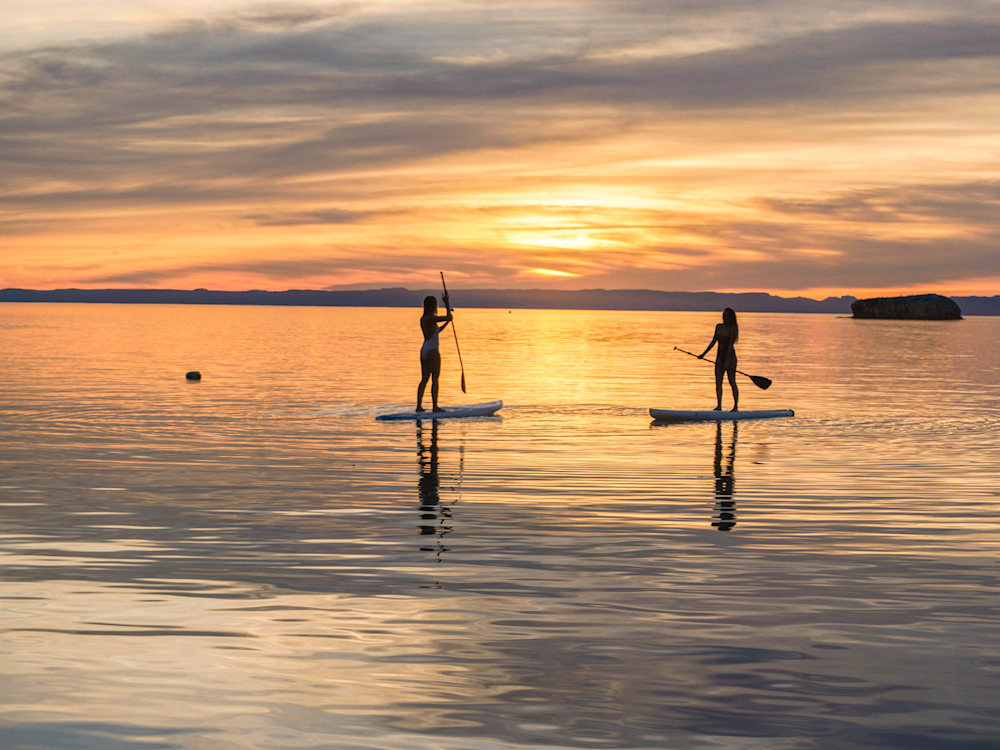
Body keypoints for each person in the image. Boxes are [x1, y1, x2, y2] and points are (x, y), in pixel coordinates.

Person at [698, 307, 739, 411]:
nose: (724, 317)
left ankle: (735, 407)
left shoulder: (733, 329)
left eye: (726, 316)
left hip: (730, 358)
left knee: (731, 381)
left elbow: (730, 347)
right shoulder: (718, 327)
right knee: (718, 382)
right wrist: (703, 354)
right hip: (719, 357)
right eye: (723, 315)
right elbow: (713, 342)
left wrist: (727, 362)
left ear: (730, 317)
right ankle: (719, 406)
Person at [416, 295, 453, 412]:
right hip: (433, 351)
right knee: (435, 379)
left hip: (424, 350)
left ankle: (419, 406)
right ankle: (435, 406)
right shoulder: (429, 318)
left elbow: (437, 331)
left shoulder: (425, 319)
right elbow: (448, 317)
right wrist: (447, 304)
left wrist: (447, 322)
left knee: (425, 378)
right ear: (433, 306)